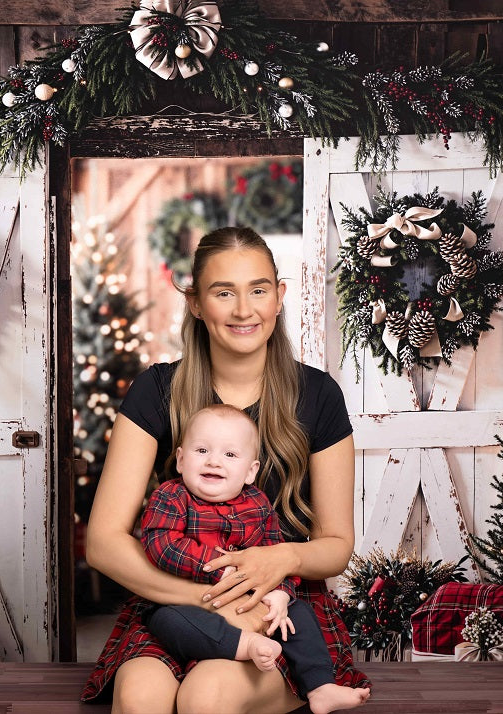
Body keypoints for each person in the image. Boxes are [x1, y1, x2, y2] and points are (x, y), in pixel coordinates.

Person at [82, 226, 371, 714]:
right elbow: (104, 543)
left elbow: (337, 545)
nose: (243, 310)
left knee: (206, 696)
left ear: (278, 297)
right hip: (170, 604)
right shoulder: (155, 392)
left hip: (275, 610)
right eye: (223, 292)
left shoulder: (319, 397)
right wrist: (206, 600)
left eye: (258, 290)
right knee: (140, 696)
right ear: (196, 302)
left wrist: (283, 560)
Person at [141, 403, 370, 714]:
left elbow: (275, 553)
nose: (214, 461)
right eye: (202, 450)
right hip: (186, 601)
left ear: (250, 471)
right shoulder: (171, 496)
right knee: (166, 621)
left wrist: (280, 594)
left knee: (297, 614)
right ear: (181, 460)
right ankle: (244, 645)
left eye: (230, 455)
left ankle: (319, 686)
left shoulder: (258, 505)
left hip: (253, 598)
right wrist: (220, 569)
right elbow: (162, 545)